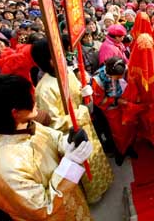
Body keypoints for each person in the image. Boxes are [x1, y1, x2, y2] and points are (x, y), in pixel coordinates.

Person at [0, 75, 93, 220]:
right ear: (15, 113)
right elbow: (42, 208)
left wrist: (68, 143)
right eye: (30, 98)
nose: (35, 102)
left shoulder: (26, 125)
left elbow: (53, 138)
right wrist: (70, 165)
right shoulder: (7, 169)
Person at [31, 39, 114, 204]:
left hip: (86, 124)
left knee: (94, 157)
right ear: (49, 60)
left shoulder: (67, 72)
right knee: (83, 163)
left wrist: (86, 93)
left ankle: (103, 184)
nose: (63, 56)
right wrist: (82, 111)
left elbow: (79, 95)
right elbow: (53, 123)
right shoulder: (44, 89)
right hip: (71, 134)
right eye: (58, 54)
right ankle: (92, 195)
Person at [123, 33, 154, 164]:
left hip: (153, 102)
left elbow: (132, 90)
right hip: (152, 103)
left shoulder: (133, 66)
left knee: (152, 126)